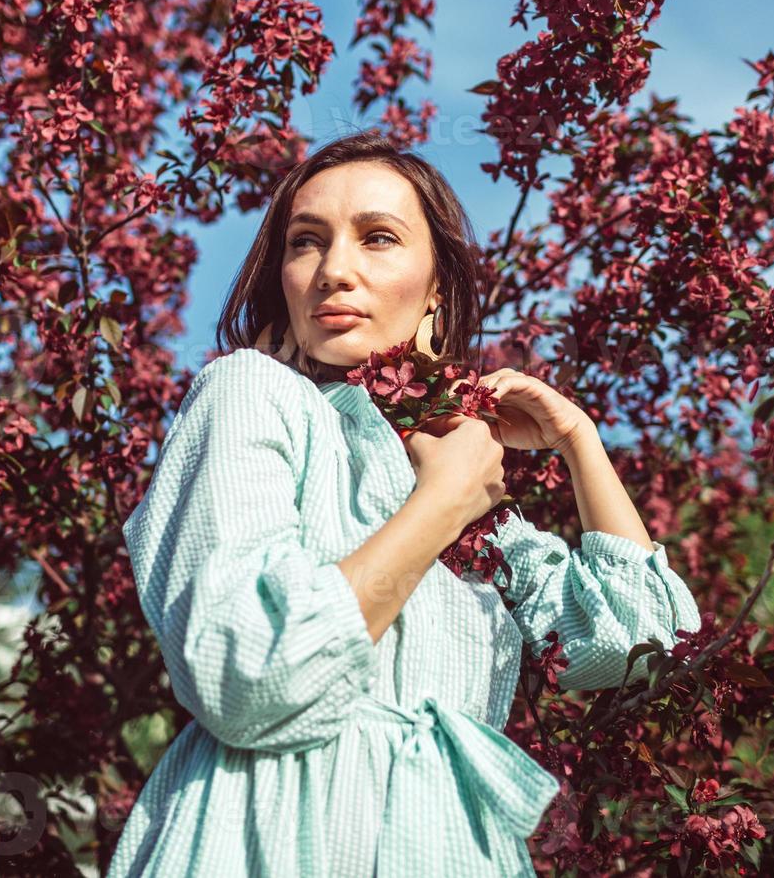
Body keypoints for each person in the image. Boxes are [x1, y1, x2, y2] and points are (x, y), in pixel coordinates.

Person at [106, 130, 701, 877]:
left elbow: (647, 640)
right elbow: (249, 675)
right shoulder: (252, 396)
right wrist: (444, 504)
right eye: (305, 243)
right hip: (273, 836)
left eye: (378, 238)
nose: (334, 271)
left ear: (436, 293)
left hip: (446, 847)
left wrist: (578, 440)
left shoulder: (472, 503)